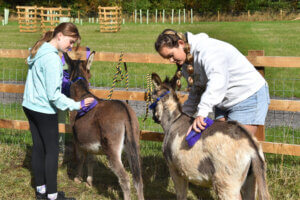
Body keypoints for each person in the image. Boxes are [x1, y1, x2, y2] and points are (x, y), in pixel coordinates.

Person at [22, 22, 94, 200]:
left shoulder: (38, 50)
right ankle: (52, 196)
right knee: (52, 152)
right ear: (60, 35)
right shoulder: (53, 59)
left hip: (29, 105)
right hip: (44, 110)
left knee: (39, 148)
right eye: (70, 42)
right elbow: (53, 96)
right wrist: (78, 105)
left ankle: (41, 191)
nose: (70, 47)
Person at [154, 29, 270, 137]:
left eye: (171, 55)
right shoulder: (186, 62)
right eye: (167, 58)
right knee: (217, 145)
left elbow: (217, 81)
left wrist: (202, 113)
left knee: (234, 147)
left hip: (246, 96)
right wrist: (184, 115)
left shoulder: (208, 50)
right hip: (223, 101)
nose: (170, 61)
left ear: (181, 43)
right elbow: (197, 89)